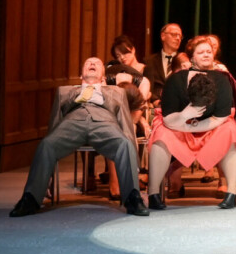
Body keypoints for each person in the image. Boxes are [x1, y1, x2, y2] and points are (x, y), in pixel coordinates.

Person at [9, 57, 149, 217]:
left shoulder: (117, 92)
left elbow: (125, 122)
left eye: (97, 64)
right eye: (88, 63)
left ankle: (132, 198)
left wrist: (133, 158)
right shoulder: (64, 91)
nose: (92, 64)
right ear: (81, 75)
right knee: (47, 144)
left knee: (124, 143)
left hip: (104, 124)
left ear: (103, 78)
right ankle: (30, 199)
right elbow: (55, 121)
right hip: (72, 124)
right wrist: (49, 164)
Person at [145, 36, 236, 210]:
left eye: (209, 51)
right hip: (177, 126)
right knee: (161, 133)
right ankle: (153, 194)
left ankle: (231, 193)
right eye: (201, 52)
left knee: (230, 129)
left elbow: (221, 116)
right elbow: (168, 117)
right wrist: (185, 116)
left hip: (211, 126)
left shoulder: (222, 78)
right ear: (192, 58)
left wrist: (195, 126)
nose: (206, 54)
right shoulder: (176, 79)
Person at [143, 23, 184, 87]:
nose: (178, 38)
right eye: (174, 34)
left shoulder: (184, 61)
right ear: (163, 36)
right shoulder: (149, 61)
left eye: (180, 36)